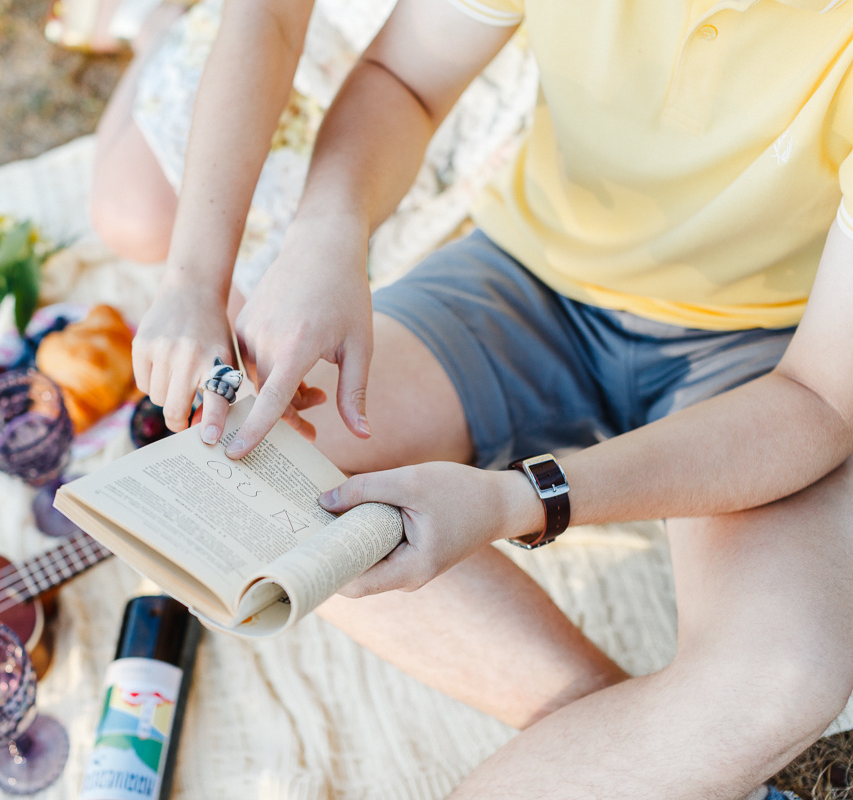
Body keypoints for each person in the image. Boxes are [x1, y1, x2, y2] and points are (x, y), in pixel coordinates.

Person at [81, 1, 853, 797]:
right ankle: (663, 745)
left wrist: (515, 500)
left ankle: (671, 748)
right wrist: (327, 232)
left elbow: (820, 402)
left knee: (780, 677)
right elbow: (404, 79)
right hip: (523, 281)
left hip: (773, 355)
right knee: (248, 494)